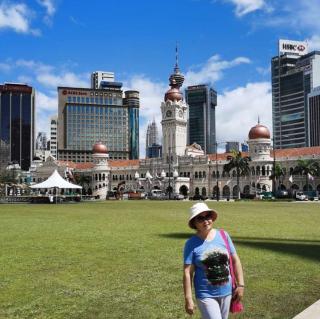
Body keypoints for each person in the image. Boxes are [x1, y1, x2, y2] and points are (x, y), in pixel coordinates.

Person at [183, 202, 244, 319]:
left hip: (227, 292)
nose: (205, 221)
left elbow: (235, 260)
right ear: (194, 223)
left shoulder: (223, 235)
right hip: (205, 294)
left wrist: (241, 285)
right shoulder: (191, 243)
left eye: (208, 216)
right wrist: (188, 299)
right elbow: (187, 273)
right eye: (200, 218)